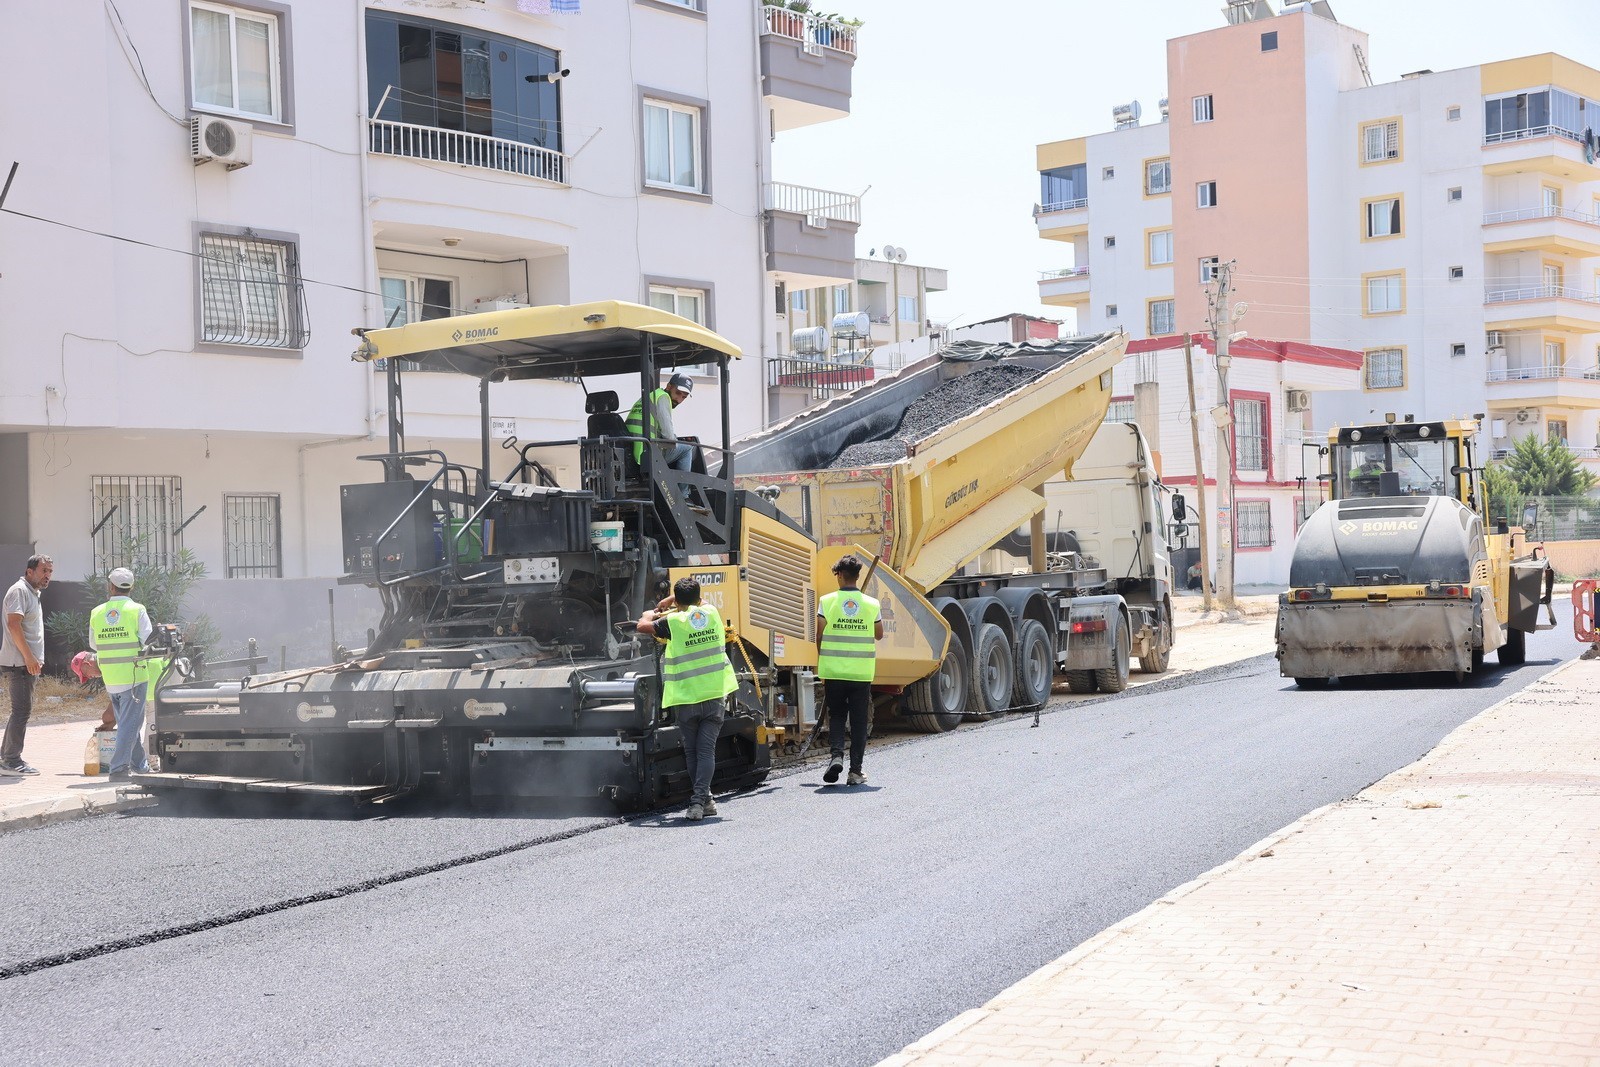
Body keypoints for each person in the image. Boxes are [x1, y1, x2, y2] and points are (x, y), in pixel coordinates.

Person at [636, 576, 738, 821]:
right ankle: (708, 800)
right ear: (699, 597)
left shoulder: (673, 622)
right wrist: (674, 599)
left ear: (678, 602)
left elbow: (642, 626)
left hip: (686, 698)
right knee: (704, 752)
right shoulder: (711, 613)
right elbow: (694, 601)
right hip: (713, 695)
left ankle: (696, 802)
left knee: (694, 753)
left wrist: (651, 611)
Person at [816, 555, 883, 787]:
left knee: (836, 716)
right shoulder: (872, 604)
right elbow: (879, 634)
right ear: (857, 576)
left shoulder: (826, 601)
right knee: (858, 721)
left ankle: (836, 755)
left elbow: (819, 635)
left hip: (834, 671)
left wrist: (822, 660)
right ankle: (855, 772)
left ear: (840, 575)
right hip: (861, 673)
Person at [90, 567, 153, 781]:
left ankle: (141, 766)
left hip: (111, 678)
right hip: (134, 677)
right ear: (131, 587)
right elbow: (149, 639)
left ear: (111, 586)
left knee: (129, 724)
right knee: (129, 724)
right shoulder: (137, 609)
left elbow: (93, 643)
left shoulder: (97, 612)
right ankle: (118, 769)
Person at [0, 554, 53, 776]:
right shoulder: (19, 591)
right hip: (20, 663)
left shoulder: (33, 593)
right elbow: (14, 625)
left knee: (20, 711)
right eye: (43, 571)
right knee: (22, 711)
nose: (47, 576)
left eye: (50, 572)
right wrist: (29, 658)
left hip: (26, 663)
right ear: (29, 571)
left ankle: (6, 758)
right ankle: (12, 761)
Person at [625, 372, 695, 473]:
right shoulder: (663, 398)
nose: (679, 400)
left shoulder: (651, 396)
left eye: (684, 397)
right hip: (645, 452)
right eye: (678, 393)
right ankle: (683, 489)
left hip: (632, 448)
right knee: (687, 449)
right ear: (668, 386)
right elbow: (669, 437)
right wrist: (676, 442)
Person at [70, 650, 117, 730]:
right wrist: (111, 722)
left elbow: (120, 699)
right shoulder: (105, 664)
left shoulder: (107, 665)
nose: (90, 677)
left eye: (85, 674)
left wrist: (110, 718)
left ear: (87, 664)